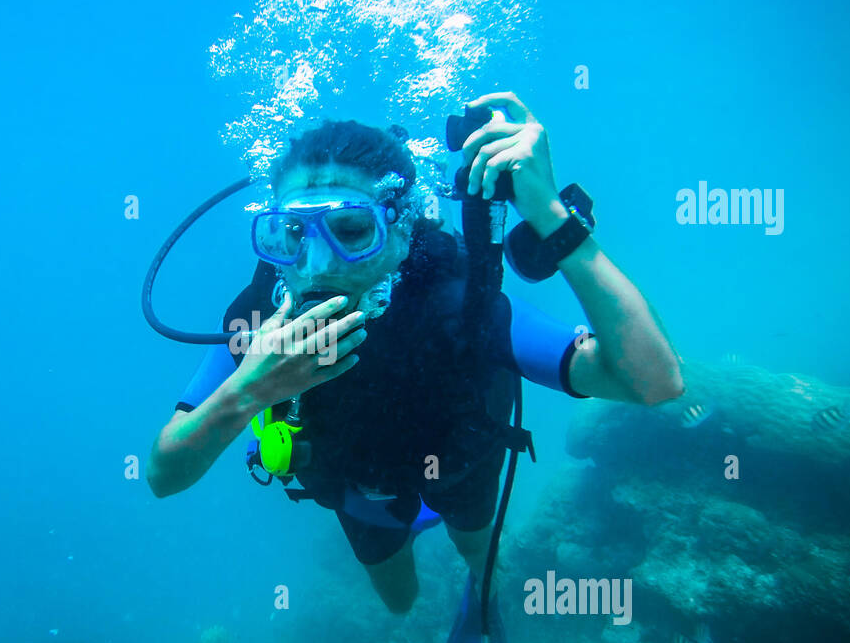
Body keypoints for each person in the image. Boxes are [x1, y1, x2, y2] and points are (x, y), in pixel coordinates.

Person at [147, 91, 684, 615]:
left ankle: (481, 597)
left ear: (400, 229)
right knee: (399, 601)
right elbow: (163, 476)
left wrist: (549, 214)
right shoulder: (262, 322)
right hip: (358, 489)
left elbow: (652, 380)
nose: (314, 266)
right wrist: (250, 391)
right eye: (291, 233)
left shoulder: (461, 303)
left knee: (478, 555)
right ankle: (421, 537)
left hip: (461, 467)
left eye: (352, 230)